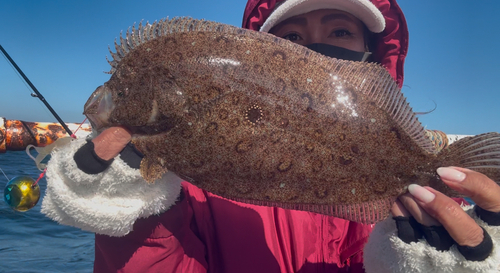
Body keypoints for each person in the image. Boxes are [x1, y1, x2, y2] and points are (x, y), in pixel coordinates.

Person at [41, 0, 500, 272]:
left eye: (339, 31)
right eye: (291, 37)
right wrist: (134, 216)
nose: (314, 48)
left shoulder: (410, 201)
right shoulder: (190, 191)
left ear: (372, 53)